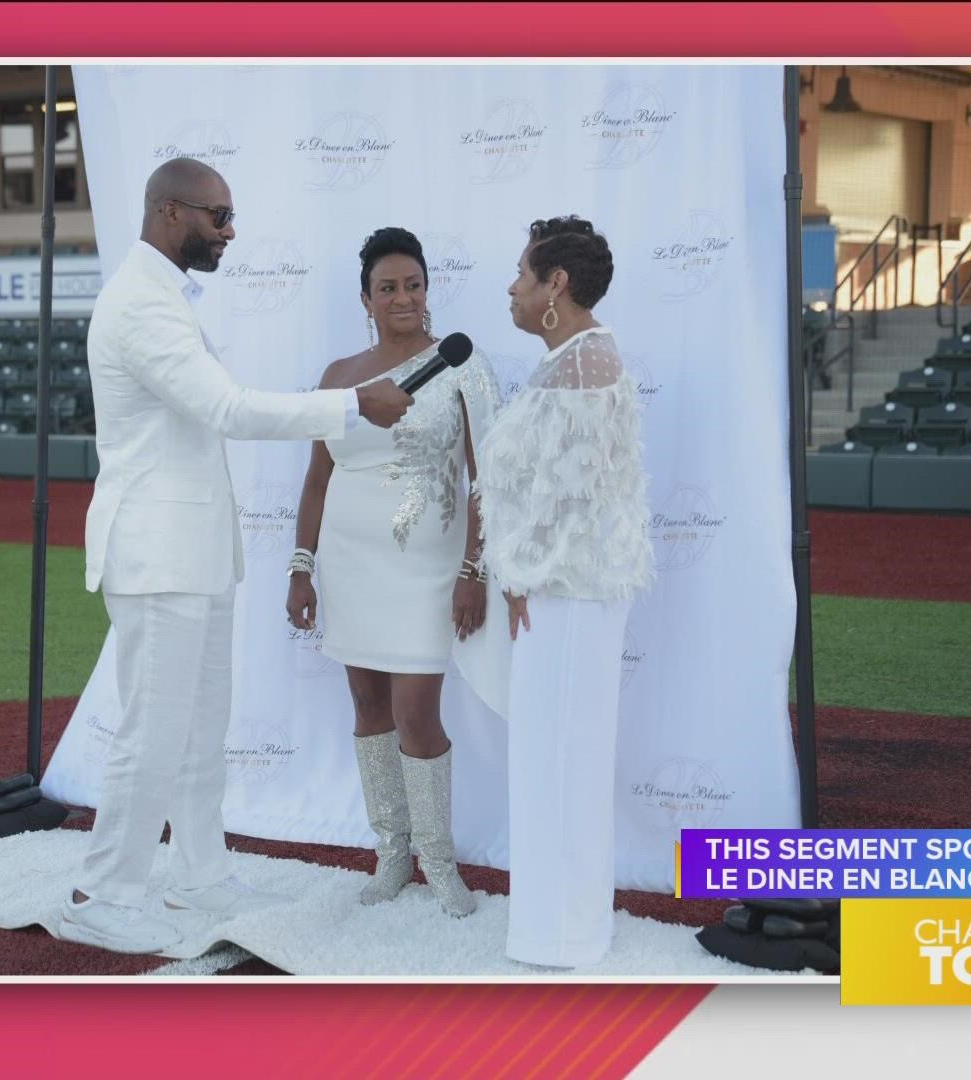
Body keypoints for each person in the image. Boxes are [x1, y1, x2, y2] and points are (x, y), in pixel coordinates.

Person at [62, 158, 414, 956]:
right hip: (156, 554)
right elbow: (226, 409)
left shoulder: (163, 298)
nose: (230, 231)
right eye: (218, 217)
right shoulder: (139, 304)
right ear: (168, 212)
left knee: (198, 727)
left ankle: (198, 871)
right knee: (153, 729)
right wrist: (353, 403)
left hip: (193, 549)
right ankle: (103, 892)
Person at [285, 227, 500, 918]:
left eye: (413, 284)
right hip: (349, 567)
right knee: (369, 708)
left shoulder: (463, 365)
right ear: (366, 299)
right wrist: (301, 568)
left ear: (428, 290)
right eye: (388, 288)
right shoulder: (338, 375)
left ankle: (439, 860)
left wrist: (474, 569)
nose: (403, 296)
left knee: (416, 712)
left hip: (429, 570)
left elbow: (485, 477)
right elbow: (317, 480)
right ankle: (392, 852)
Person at [471, 216, 655, 967]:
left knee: (560, 763)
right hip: (554, 592)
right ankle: (559, 925)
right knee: (552, 762)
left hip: (565, 596)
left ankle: (563, 935)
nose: (511, 286)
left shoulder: (585, 365)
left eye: (522, 272)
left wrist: (520, 573)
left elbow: (574, 499)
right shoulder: (572, 359)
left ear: (558, 285)